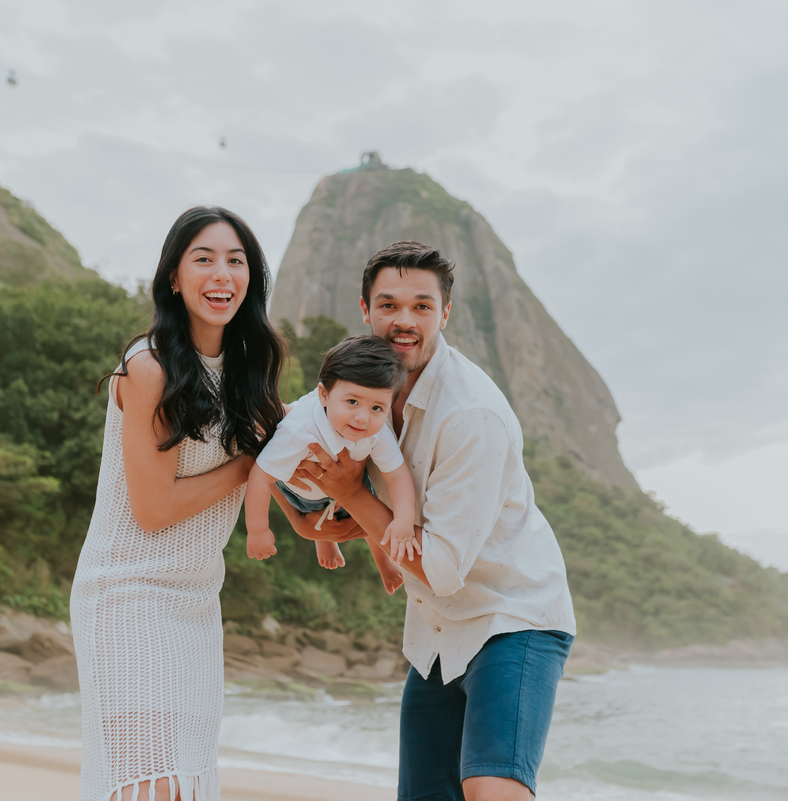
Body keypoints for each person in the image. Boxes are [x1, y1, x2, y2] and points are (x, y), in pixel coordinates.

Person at [273, 241, 576, 801]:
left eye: (421, 306)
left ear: (445, 313)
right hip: (436, 630)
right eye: (388, 305)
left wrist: (351, 496)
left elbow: (441, 568)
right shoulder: (360, 390)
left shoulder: (471, 415)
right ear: (365, 310)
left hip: (511, 614)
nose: (404, 321)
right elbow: (283, 443)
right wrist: (303, 519)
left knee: (493, 790)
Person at [70, 206, 284, 801]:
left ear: (251, 278)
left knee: (185, 784)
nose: (222, 275)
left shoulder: (246, 373)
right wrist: (248, 464)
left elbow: (280, 471)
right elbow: (155, 508)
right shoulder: (149, 367)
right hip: (126, 592)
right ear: (173, 276)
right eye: (204, 259)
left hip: (196, 601)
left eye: (236, 261)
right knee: (152, 785)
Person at [244, 335, 419, 591]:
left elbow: (396, 474)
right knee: (317, 510)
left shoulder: (378, 432)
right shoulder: (300, 430)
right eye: (352, 402)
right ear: (324, 396)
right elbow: (260, 476)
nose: (362, 418)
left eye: (377, 408)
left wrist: (404, 520)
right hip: (304, 492)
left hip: (349, 478)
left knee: (372, 507)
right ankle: (324, 538)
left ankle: (382, 559)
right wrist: (258, 530)